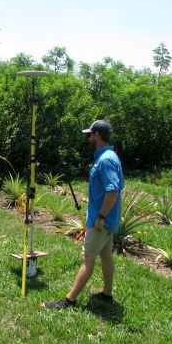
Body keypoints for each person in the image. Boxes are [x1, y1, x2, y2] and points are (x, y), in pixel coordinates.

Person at [43, 120, 124, 309]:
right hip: (104, 220)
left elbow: (113, 191)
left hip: (101, 221)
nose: (88, 137)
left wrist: (101, 217)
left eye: (90, 134)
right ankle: (107, 294)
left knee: (87, 259)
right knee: (105, 255)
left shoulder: (106, 159)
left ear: (97, 135)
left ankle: (68, 300)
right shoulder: (108, 156)